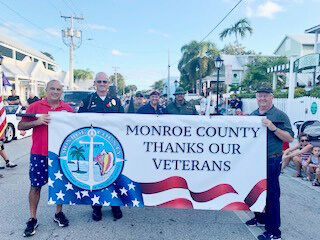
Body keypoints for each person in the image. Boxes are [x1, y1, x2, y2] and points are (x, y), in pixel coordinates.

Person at [18, 80, 73, 237]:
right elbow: (20, 126)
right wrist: (38, 121)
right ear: (46, 90)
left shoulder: (67, 109)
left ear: (61, 91)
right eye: (52, 89)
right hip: (39, 153)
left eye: (58, 89)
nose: (55, 92)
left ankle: (58, 213)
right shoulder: (35, 107)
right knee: (35, 186)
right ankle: (32, 218)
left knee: (60, 184)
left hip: (59, 155)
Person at [246, 87, 294, 240]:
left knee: (271, 195)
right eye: (260, 96)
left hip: (272, 159)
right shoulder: (253, 115)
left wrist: (273, 128)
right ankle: (260, 218)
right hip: (255, 160)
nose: (262, 99)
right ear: (256, 97)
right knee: (255, 190)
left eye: (266, 96)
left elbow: (289, 138)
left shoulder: (280, 115)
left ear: (272, 97)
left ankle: (274, 231)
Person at [78, 72, 124, 221]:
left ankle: (115, 205)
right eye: (99, 81)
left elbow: (123, 122)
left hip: (113, 144)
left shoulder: (116, 101)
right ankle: (96, 207)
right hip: (95, 144)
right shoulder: (87, 100)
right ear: (95, 83)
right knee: (97, 174)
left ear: (109, 83)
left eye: (105, 81)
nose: (102, 84)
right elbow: (78, 121)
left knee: (113, 173)